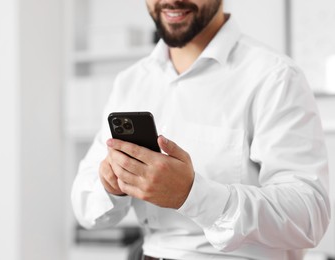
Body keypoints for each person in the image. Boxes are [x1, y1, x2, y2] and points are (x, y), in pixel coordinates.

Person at [72, 0, 331, 259]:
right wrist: (110, 185)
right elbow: (85, 209)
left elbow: (310, 216)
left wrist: (193, 194)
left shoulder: (276, 77)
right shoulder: (131, 81)